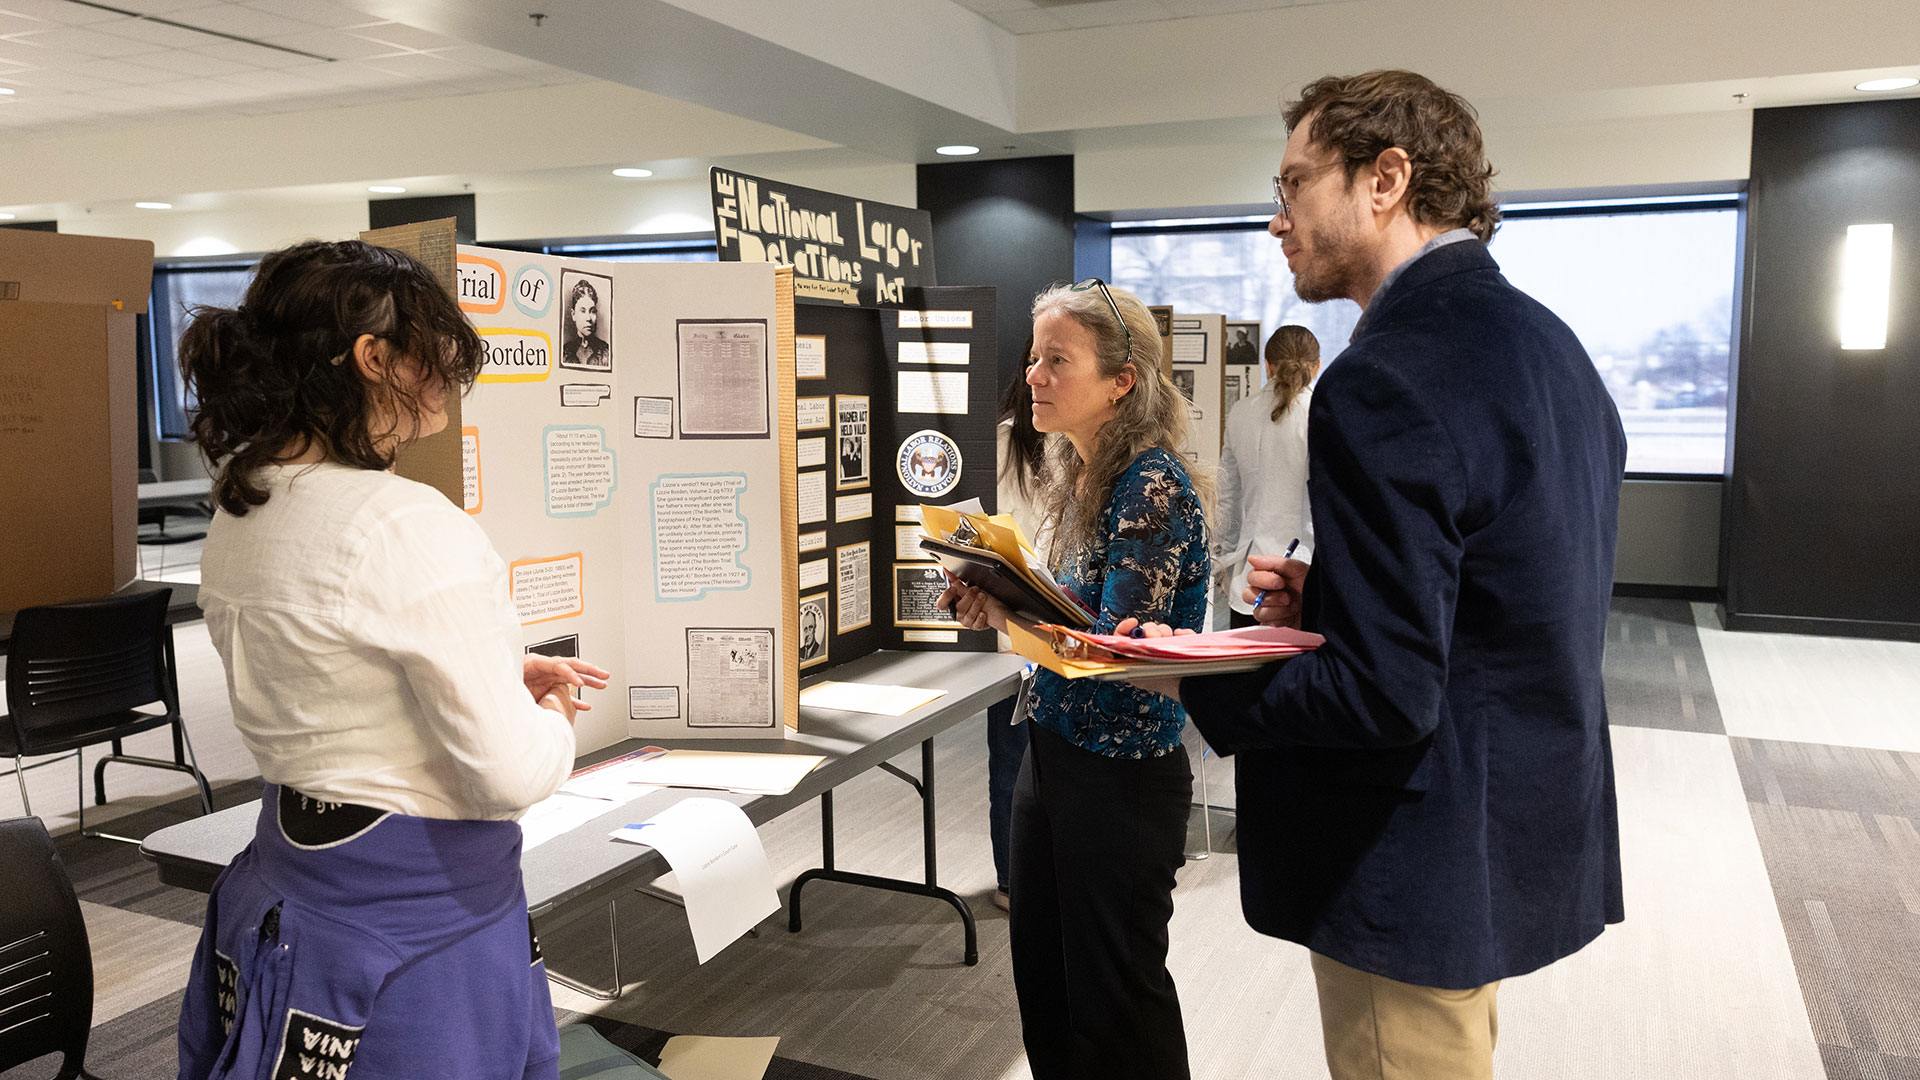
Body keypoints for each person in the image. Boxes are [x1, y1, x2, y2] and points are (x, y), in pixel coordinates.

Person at [1124, 70, 1627, 1080]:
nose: (1276, 220)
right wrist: (1339, 600)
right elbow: (1504, 595)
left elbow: (1388, 694)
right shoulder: (1549, 347)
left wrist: (1197, 673)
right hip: (1499, 824)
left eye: (1296, 184)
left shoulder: (1386, 375)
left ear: (1386, 179)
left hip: (1412, 848)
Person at [174, 240, 609, 1080]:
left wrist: (482, 680)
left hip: (289, 893)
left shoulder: (245, 505)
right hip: (419, 931)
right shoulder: (406, 521)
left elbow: (326, 694)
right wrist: (546, 715)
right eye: (436, 349)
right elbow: (505, 777)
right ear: (375, 357)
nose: (449, 371)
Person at [942, 280, 1211, 1080]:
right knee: (1048, 986)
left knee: (1117, 1000)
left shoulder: (1151, 487)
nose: (1034, 377)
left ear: (1120, 382)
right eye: (1033, 359)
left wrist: (1017, 610)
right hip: (1055, 752)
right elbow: (1071, 627)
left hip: (1120, 779)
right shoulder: (1081, 476)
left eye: (1058, 360)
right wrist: (998, 605)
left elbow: (1118, 652)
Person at [982, 365, 1045, 913]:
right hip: (1016, 633)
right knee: (1013, 763)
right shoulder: (1003, 442)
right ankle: (1012, 881)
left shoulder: (1088, 450)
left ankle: (1027, 880)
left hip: (1064, 630)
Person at [1214, 324, 1319, 628]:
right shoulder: (1321, 414)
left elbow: (1228, 497)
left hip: (1248, 580)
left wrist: (1221, 560)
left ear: (1267, 365)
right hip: (1305, 577)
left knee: (1247, 674)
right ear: (1317, 366)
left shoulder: (1240, 413)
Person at [562, 276, 610, 370]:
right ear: (573, 314)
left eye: (592, 311)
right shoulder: (564, 352)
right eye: (583, 311)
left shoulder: (606, 351)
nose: (588, 318)